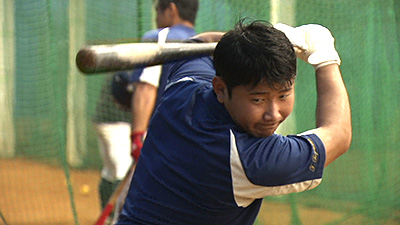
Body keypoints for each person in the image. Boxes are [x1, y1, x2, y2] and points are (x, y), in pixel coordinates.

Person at [116, 19, 352, 225]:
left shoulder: (185, 87)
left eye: (283, 95)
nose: (273, 114)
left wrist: (257, 44)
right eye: (258, 99)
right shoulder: (251, 158)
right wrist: (325, 58)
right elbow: (339, 135)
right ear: (220, 88)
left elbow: (198, 43)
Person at [128, 0, 199, 162]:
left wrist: (137, 138)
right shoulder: (201, 41)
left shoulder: (159, 37)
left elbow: (146, 88)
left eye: (158, 9)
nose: (156, 17)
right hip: (196, 140)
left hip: (162, 138)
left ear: (171, 9)